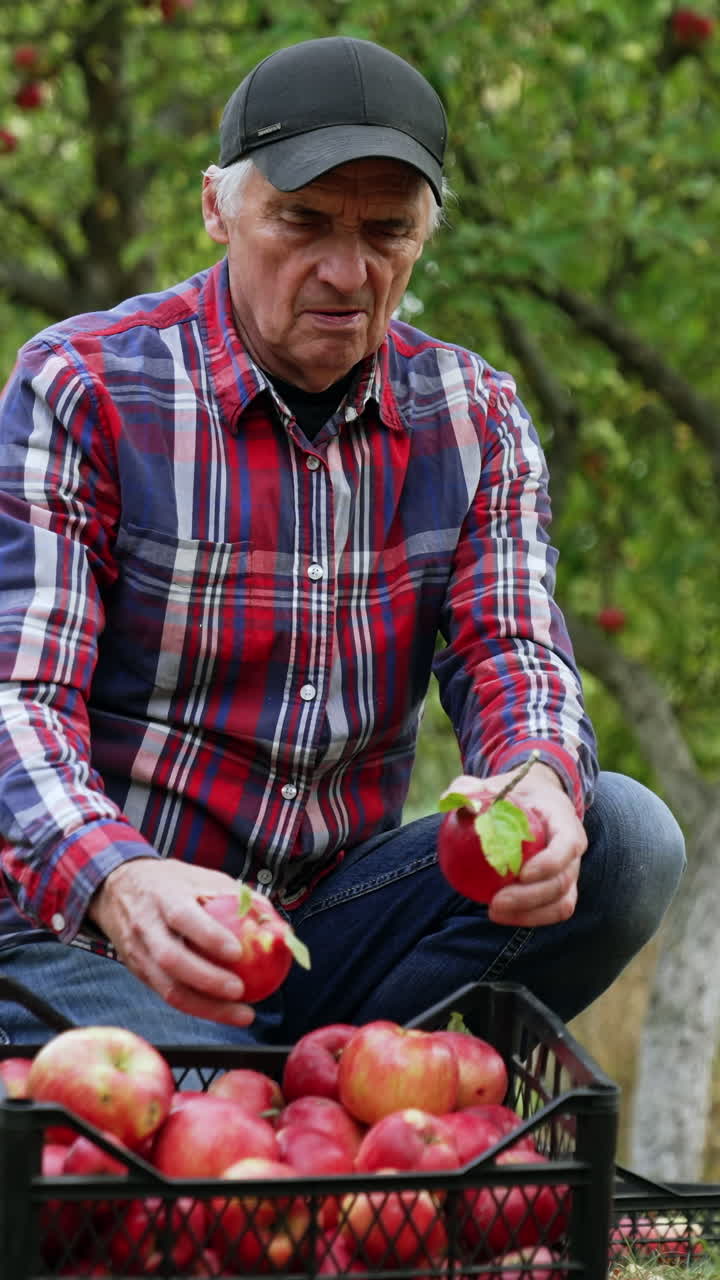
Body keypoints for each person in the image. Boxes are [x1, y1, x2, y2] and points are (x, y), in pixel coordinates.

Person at [0, 36, 684, 1049]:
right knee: (195, 1136)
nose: (346, 270)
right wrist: (118, 877)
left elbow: (515, 651)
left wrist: (536, 776)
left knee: (627, 837)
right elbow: (21, 696)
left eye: (387, 232)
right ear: (216, 207)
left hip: (325, 931)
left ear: (422, 239)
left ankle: (334, 1085)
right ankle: (260, 1096)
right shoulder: (85, 389)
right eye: (303, 222)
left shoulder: (472, 413)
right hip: (100, 930)